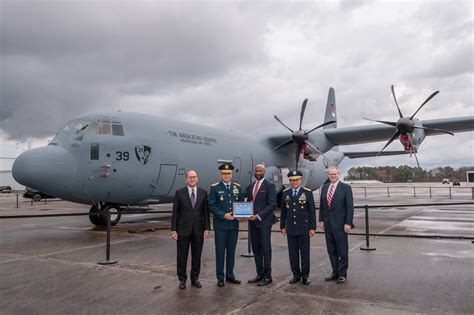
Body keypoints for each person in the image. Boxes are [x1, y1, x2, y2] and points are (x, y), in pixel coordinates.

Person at [171, 170, 210, 289]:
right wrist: (173, 230)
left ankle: (195, 278)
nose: (192, 179)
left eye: (194, 177)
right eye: (189, 177)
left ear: (197, 178)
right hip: (183, 230)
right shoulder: (179, 193)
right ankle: (182, 279)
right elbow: (175, 213)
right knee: (182, 256)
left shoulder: (203, 193)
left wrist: (207, 228)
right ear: (186, 179)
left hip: (198, 230)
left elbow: (205, 212)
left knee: (196, 255)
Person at [208, 163, 243, 287]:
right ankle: (220, 277)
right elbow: (211, 205)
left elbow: (240, 204)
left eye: (228, 173)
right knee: (220, 251)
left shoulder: (237, 187)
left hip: (233, 226)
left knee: (231, 251)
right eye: (224, 173)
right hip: (221, 225)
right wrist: (223, 215)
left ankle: (230, 275)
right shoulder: (215, 188)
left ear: (231, 174)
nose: (226, 175)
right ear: (220, 174)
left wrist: (240, 215)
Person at [319, 166, 354, 284]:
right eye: (330, 174)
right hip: (328, 224)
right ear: (328, 175)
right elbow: (323, 206)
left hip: (340, 224)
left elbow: (350, 207)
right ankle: (335, 272)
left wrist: (348, 223)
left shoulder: (346, 188)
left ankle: (342, 274)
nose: (332, 176)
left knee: (342, 250)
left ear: (339, 174)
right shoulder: (324, 188)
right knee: (331, 250)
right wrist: (321, 220)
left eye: (334, 174)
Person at [280, 170, 316, 285]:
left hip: (304, 228)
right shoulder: (285, 193)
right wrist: (282, 226)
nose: (294, 182)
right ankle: (296, 275)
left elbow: (312, 212)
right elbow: (283, 212)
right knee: (293, 253)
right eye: (292, 180)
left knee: (305, 254)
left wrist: (312, 227)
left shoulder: (307, 193)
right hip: (290, 228)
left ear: (300, 180)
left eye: (296, 180)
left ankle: (305, 276)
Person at [244, 164, 277, 286]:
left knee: (265, 249)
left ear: (264, 172)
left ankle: (268, 276)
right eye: (256, 171)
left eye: (260, 171)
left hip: (263, 222)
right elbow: (244, 198)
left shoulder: (269, 186)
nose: (258, 172)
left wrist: (258, 216)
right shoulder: (251, 186)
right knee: (256, 249)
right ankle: (260, 274)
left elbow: (272, 204)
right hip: (252, 223)